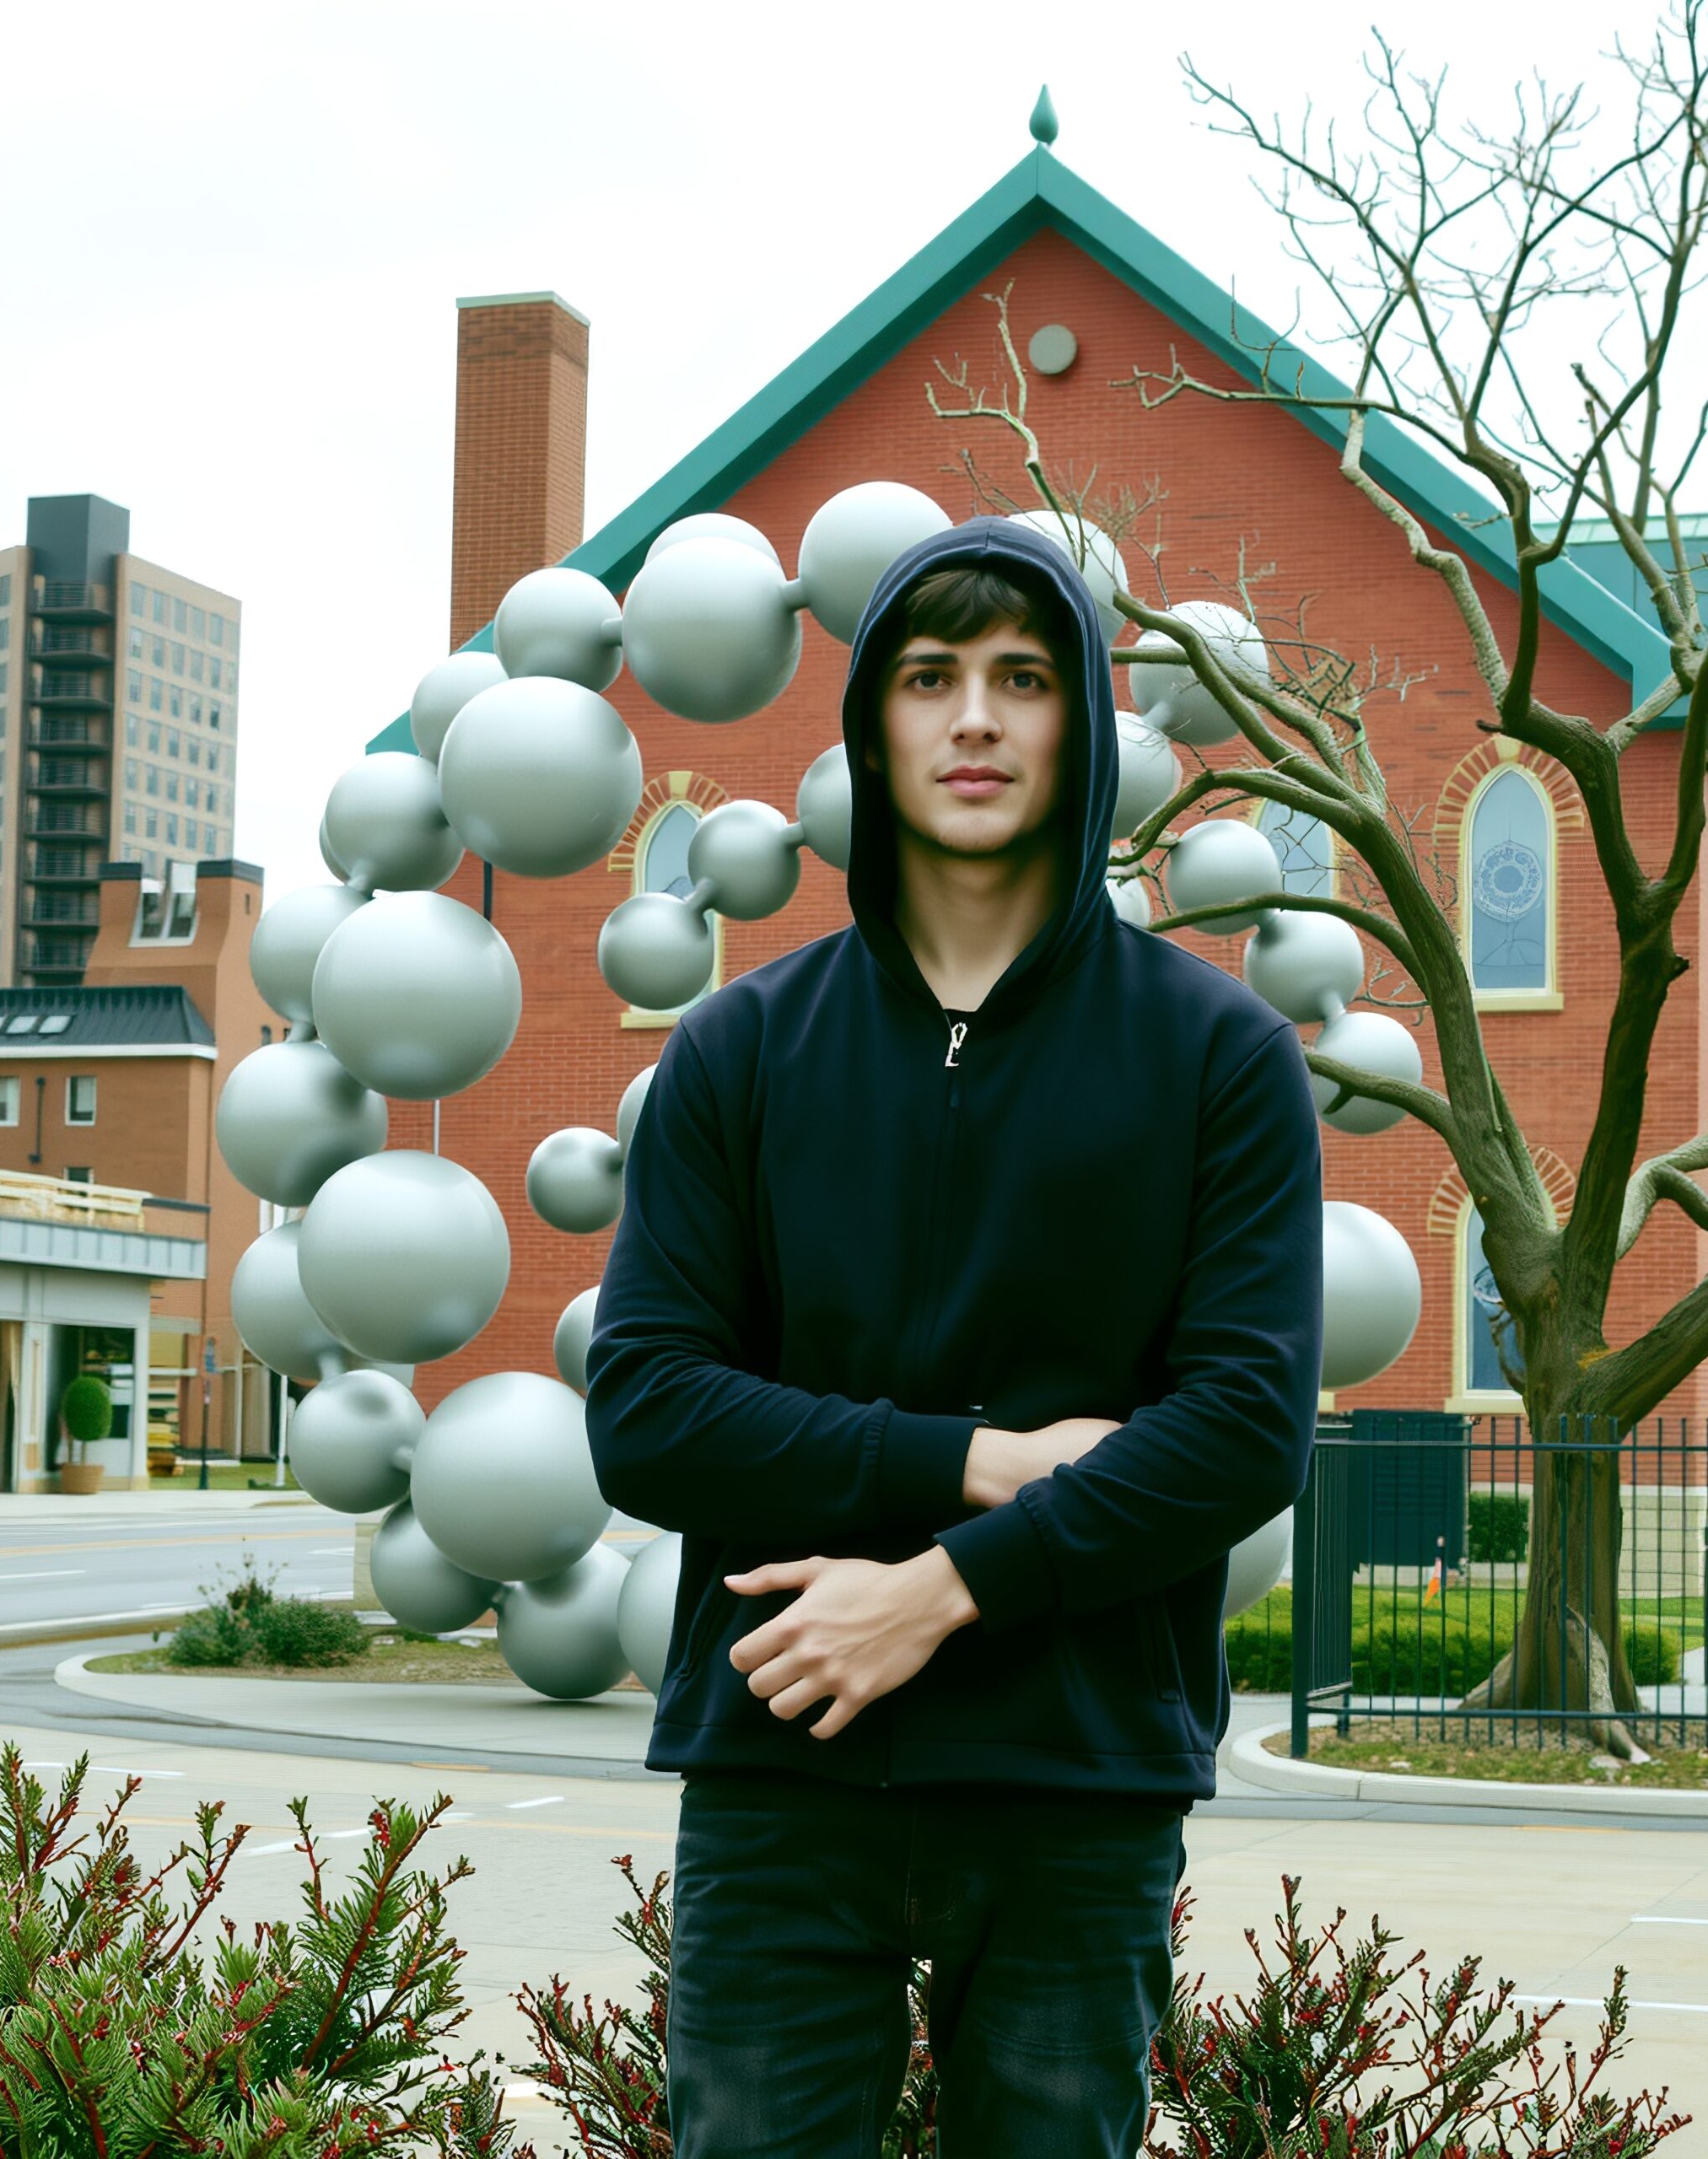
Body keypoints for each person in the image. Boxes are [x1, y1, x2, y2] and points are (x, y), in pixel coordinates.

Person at [586, 516, 1324, 2156]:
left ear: (1079, 723)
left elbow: (1239, 1430)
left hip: (1075, 1769)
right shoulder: (739, 1047)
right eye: (928, 677)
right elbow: (644, 1406)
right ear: (872, 724)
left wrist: (935, 1588)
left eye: (1020, 676)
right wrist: (974, 1460)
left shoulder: (1215, 1055)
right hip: (783, 1760)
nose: (973, 718)